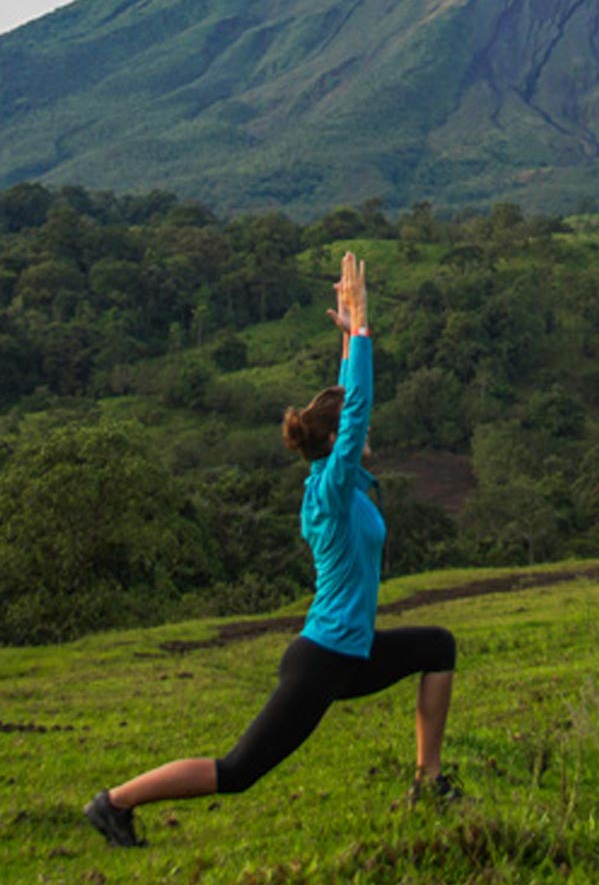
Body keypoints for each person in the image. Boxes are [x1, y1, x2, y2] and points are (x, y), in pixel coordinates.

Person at [84, 253, 459, 848]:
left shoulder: (342, 484)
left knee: (438, 646)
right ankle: (114, 802)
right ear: (338, 444)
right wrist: (362, 325)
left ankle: (428, 781)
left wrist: (348, 341)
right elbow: (353, 412)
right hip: (323, 659)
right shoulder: (333, 492)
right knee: (237, 773)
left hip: (351, 653)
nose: (369, 437)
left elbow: (346, 404)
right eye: (356, 435)